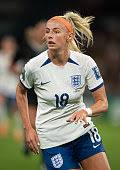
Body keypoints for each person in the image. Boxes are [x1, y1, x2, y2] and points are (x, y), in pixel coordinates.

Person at [16, 11, 111, 170]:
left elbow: (103, 103)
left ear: (69, 36)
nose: (50, 36)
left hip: (83, 133)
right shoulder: (33, 66)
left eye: (56, 31)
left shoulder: (85, 63)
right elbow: (20, 92)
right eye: (47, 32)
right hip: (53, 141)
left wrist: (85, 112)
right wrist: (29, 129)